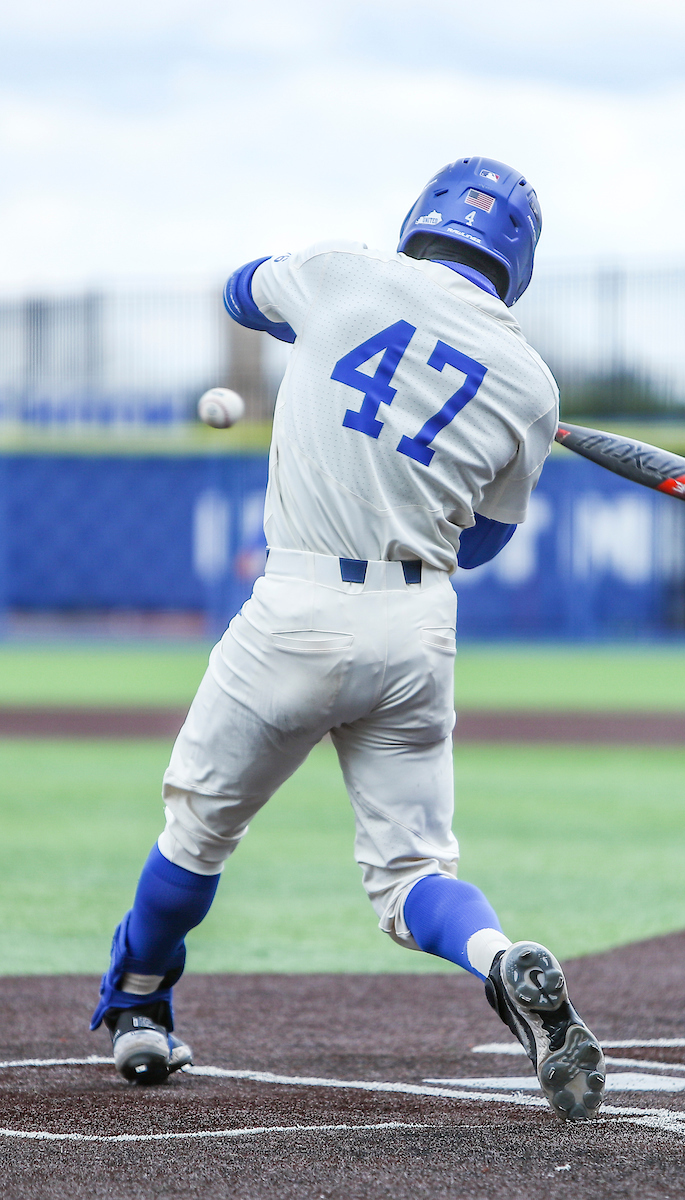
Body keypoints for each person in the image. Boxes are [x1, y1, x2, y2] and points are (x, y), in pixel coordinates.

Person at [91, 156, 606, 1121]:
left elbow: (243, 290)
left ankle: (140, 1010)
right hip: (416, 630)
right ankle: (502, 958)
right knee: (415, 875)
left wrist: (324, 322)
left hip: (294, 608)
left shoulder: (341, 272)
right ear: (516, 264)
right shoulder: (530, 386)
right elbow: (483, 542)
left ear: (424, 217)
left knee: (197, 835)